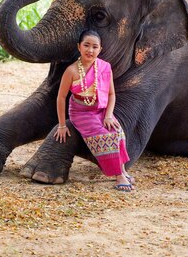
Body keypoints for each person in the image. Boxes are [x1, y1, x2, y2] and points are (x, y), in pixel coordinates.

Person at [53, 29, 134, 192]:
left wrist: (109, 115)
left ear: (100, 49)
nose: (90, 50)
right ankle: (119, 175)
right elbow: (61, 98)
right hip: (81, 113)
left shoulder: (105, 67)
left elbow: (111, 94)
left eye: (94, 47)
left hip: (101, 110)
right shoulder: (71, 71)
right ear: (79, 47)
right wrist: (62, 125)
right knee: (105, 136)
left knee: (117, 131)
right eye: (86, 45)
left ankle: (122, 169)